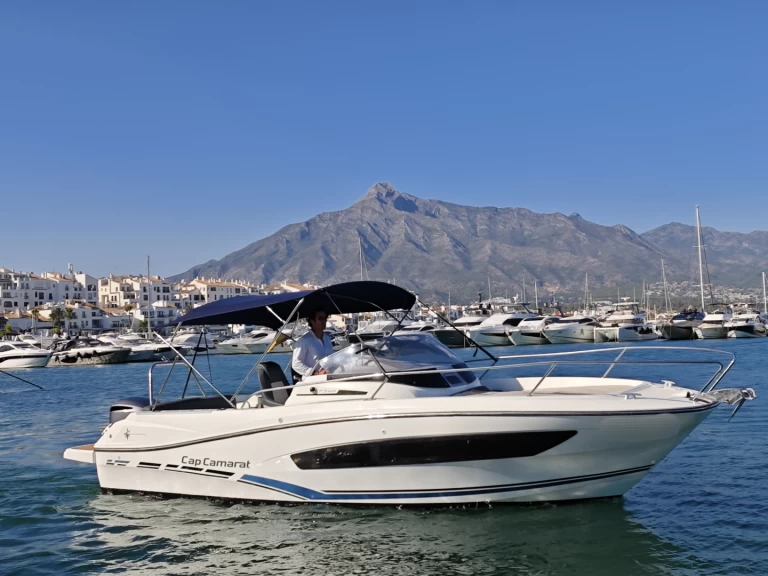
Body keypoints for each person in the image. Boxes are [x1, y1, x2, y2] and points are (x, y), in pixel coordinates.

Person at [291, 307, 334, 380]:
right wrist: (316, 373)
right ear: (312, 321)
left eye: (325, 318)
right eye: (320, 319)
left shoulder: (327, 339)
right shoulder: (304, 340)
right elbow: (296, 364)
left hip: (328, 378)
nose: (324, 321)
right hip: (311, 382)